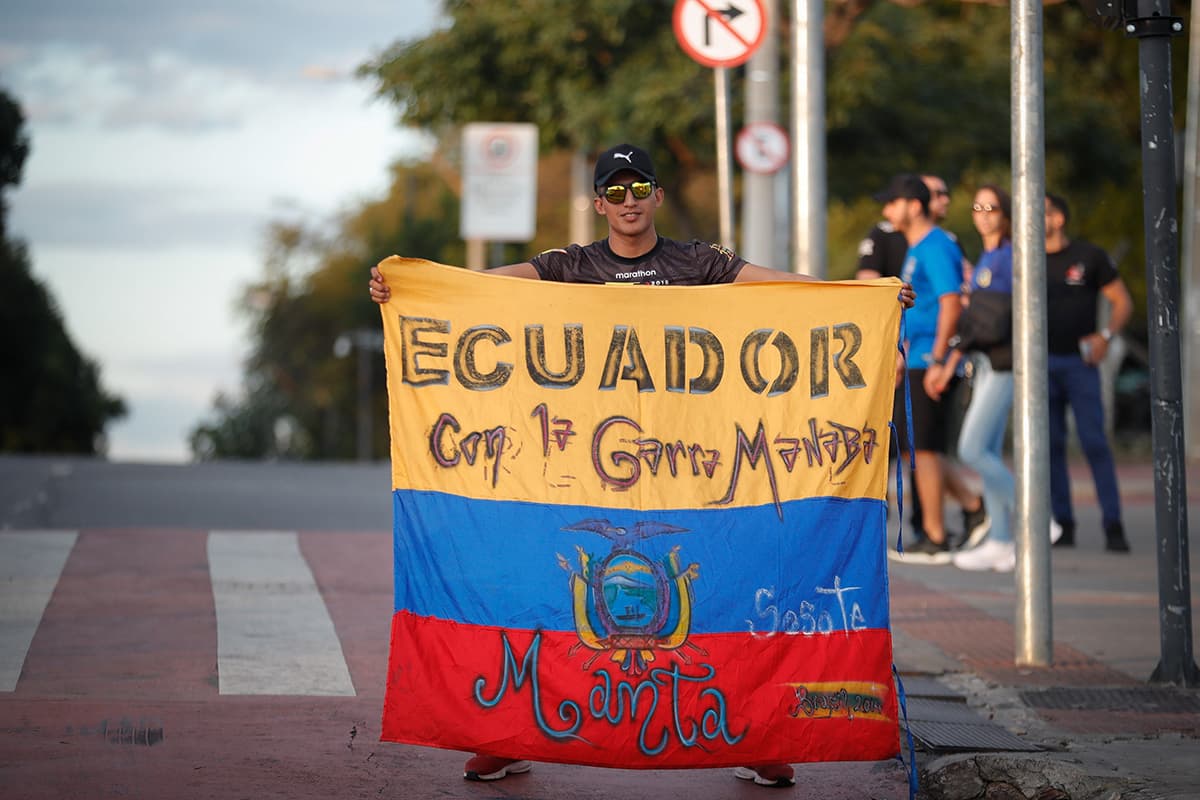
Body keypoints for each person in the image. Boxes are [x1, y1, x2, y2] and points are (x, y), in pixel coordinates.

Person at [369, 143, 915, 788]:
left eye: (639, 189)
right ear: (599, 204)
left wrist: (860, 297)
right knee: (538, 589)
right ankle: (503, 735)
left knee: (729, 586)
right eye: (615, 191)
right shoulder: (571, 265)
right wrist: (412, 289)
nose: (628, 202)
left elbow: (777, 288)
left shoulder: (697, 262)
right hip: (580, 471)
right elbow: (482, 289)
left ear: (657, 196)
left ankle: (758, 737)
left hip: (695, 470)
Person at [875, 174, 967, 564]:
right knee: (918, 449)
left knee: (926, 450)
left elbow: (951, 302)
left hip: (929, 361)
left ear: (914, 206)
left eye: (892, 202)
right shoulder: (916, 247)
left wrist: (940, 358)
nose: (886, 210)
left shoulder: (936, 245)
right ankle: (963, 514)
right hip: (914, 359)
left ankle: (935, 535)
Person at [929, 185, 1017, 572]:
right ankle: (1001, 539)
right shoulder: (987, 257)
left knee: (972, 449)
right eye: (978, 207)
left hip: (1003, 362)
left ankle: (1035, 516)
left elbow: (988, 321)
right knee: (988, 452)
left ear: (1006, 214)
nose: (983, 214)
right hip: (983, 362)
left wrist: (947, 358)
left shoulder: (1007, 256)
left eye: (991, 207)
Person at [1043, 193, 1132, 552]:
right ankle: (1063, 524)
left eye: (1042, 211)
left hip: (1081, 365)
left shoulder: (1089, 256)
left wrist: (1105, 335)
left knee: (1094, 442)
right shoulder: (1025, 259)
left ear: (1058, 218)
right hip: (1040, 366)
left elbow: (1122, 301)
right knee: (1050, 445)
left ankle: (1113, 524)